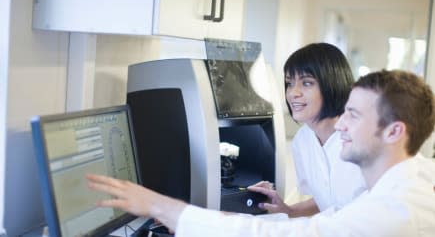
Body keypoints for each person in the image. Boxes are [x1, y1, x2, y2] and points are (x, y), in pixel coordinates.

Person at [87, 70, 435, 236]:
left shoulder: (395, 213)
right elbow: (322, 224)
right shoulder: (401, 186)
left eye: (354, 115)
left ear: (394, 131)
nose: (340, 125)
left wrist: (157, 205)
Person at [249, 42, 366, 217]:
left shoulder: (363, 139)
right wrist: (287, 210)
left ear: (332, 85)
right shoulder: (302, 141)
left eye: (307, 83)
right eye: (289, 83)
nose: (293, 93)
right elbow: (325, 200)